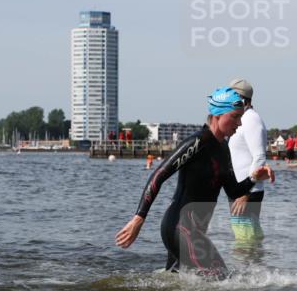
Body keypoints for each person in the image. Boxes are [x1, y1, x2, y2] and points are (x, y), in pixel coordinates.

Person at [115, 87, 275, 278]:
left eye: (241, 117)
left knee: (175, 287)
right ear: (217, 115)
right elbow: (159, 175)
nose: (239, 123)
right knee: (221, 279)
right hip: (180, 227)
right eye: (235, 117)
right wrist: (138, 218)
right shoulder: (197, 143)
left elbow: (233, 191)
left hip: (192, 231)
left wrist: (254, 177)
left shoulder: (223, 149)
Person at [226, 78, 268, 243]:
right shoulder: (242, 119)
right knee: (248, 238)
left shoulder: (251, 119)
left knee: (245, 241)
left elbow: (260, 157)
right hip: (241, 190)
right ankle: (256, 259)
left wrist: (245, 194)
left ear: (243, 100)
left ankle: (251, 260)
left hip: (248, 192)